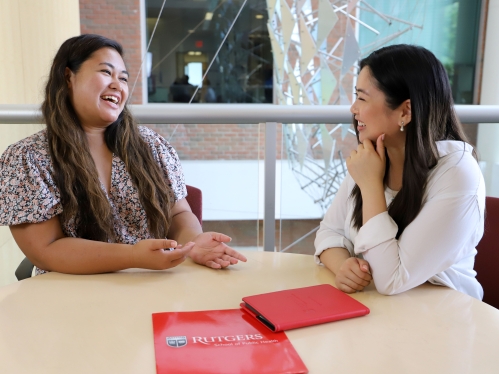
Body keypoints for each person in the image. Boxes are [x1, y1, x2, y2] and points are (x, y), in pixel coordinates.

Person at [0, 34, 246, 275]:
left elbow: (178, 213)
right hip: (71, 295)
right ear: (68, 77)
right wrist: (132, 257)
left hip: (153, 285)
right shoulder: (27, 158)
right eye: (106, 72)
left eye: (124, 78)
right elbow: (45, 249)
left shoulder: (150, 145)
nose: (117, 85)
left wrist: (193, 243)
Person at [314, 44, 484, 299]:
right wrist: (344, 267)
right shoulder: (372, 156)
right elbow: (330, 232)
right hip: (382, 313)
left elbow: (391, 279)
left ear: (405, 111)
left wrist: (371, 185)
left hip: (445, 320)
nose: (353, 109)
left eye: (362, 97)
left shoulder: (457, 172)